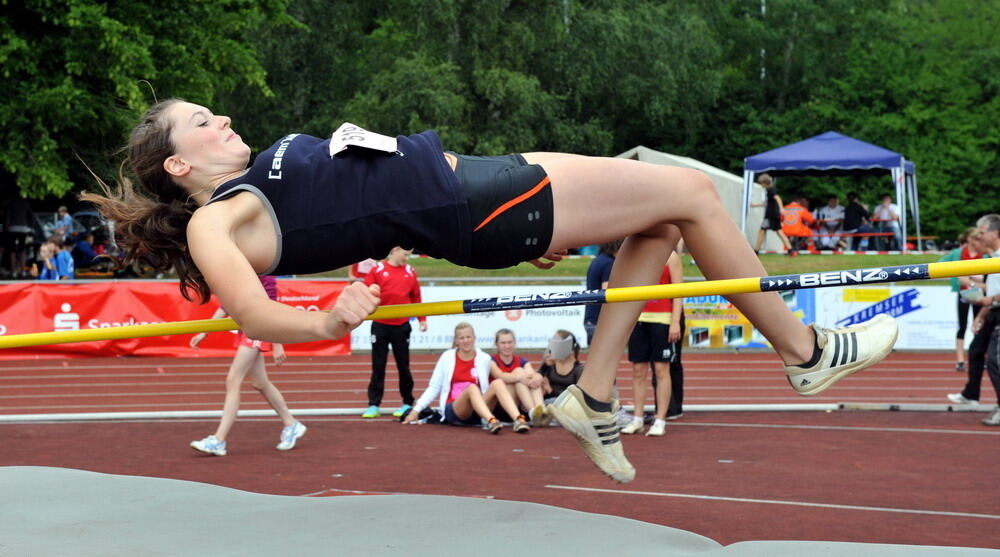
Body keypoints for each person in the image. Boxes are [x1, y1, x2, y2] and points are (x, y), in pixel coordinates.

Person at [83, 99, 899, 483]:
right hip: (478, 202)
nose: (219, 117)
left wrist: (518, 233)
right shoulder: (215, 220)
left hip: (480, 193)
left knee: (660, 226)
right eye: (200, 122)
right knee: (689, 191)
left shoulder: (262, 176)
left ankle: (596, 392)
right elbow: (253, 309)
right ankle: (805, 351)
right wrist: (329, 314)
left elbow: (361, 207)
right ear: (180, 165)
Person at [189, 275, 306, 456]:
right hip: (247, 329)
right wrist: (205, 332)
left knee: (233, 380)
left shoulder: (263, 272)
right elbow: (227, 305)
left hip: (256, 332)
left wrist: (277, 342)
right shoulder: (239, 267)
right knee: (260, 383)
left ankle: (218, 440)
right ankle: (291, 424)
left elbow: (272, 308)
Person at [403, 323, 529, 433]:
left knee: (498, 383)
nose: (466, 341)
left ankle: (518, 419)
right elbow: (434, 387)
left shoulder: (484, 358)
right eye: (462, 338)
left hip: (478, 408)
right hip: (455, 408)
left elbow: (501, 376)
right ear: (456, 341)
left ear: (474, 338)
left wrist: (526, 376)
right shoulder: (447, 357)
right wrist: (416, 410)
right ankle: (491, 421)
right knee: (472, 388)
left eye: (468, 337)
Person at [360, 247, 428, 419]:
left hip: (402, 326)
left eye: (409, 255)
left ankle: (407, 402)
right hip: (380, 325)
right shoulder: (378, 269)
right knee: (378, 366)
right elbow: (365, 290)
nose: (407, 258)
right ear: (395, 250)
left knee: (403, 366)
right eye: (405, 254)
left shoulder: (410, 271)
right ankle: (374, 405)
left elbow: (416, 297)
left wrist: (422, 319)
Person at [621, 251, 684, 437]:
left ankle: (660, 420)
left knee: (661, 370)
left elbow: (679, 291)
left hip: (662, 319)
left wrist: (675, 321)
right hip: (640, 318)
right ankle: (638, 419)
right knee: (638, 370)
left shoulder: (671, 257)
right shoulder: (637, 254)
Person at [948, 215, 1000, 426]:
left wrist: (989, 299)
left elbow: (995, 293)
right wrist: (982, 314)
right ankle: (972, 394)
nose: (979, 235)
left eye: (983, 231)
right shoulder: (992, 258)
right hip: (993, 311)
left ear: (995, 233)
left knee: (995, 360)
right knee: (980, 352)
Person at [939, 228, 986, 371]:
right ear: (969, 239)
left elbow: (988, 275)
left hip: (980, 293)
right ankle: (960, 360)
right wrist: (957, 276)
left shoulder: (983, 254)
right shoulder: (957, 253)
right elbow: (939, 265)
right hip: (963, 293)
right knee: (962, 326)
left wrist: (971, 278)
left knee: (979, 326)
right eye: (976, 238)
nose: (978, 241)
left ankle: (979, 357)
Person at [489, 328, 545, 422]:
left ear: (514, 343)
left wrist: (538, 377)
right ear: (496, 345)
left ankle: (541, 411)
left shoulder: (522, 361)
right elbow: (500, 376)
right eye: (503, 343)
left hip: (521, 405)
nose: (507, 346)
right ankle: (533, 411)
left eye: (510, 342)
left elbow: (531, 375)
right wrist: (519, 377)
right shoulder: (492, 361)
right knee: (519, 373)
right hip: (502, 407)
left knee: (532, 378)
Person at [583, 240, 621, 345]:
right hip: (601, 321)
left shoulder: (598, 260)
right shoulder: (609, 263)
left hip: (592, 317)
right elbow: (607, 294)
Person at [751, 174, 792, 254]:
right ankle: (791, 250)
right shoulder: (770, 189)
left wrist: (781, 208)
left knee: (762, 231)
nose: (761, 185)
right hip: (774, 214)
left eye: (761, 183)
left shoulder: (770, 189)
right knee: (779, 232)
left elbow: (777, 198)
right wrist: (756, 205)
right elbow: (769, 203)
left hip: (770, 215)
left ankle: (756, 250)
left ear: (765, 182)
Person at [3, 196, 34, 278]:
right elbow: (31, 216)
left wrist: (6, 227)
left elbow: (7, 216)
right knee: (22, 249)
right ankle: (23, 270)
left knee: (12, 250)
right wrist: (29, 226)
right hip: (23, 228)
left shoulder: (11, 203)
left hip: (12, 228)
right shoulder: (25, 203)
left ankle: (13, 270)